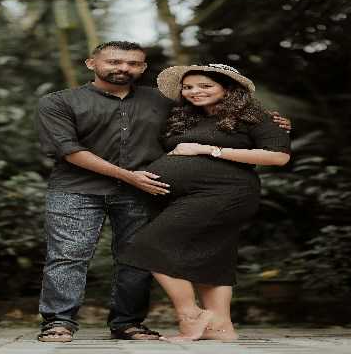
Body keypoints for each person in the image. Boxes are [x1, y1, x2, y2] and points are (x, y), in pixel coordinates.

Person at [36, 41, 291, 342]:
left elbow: (225, 114)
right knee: (68, 255)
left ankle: (128, 323)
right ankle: (59, 322)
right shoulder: (59, 102)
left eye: (133, 63)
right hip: (78, 189)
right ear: (91, 63)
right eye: (114, 61)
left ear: (143, 67)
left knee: (135, 258)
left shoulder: (162, 101)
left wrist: (272, 121)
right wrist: (129, 176)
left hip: (145, 191)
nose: (123, 68)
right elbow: (68, 149)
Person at [118, 64, 291, 342]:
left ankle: (191, 316)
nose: (194, 92)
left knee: (148, 245)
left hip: (225, 194)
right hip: (189, 195)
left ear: (228, 88)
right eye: (188, 87)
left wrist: (209, 150)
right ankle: (221, 328)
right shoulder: (186, 117)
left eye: (205, 86)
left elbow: (278, 156)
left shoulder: (254, 117)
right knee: (213, 257)